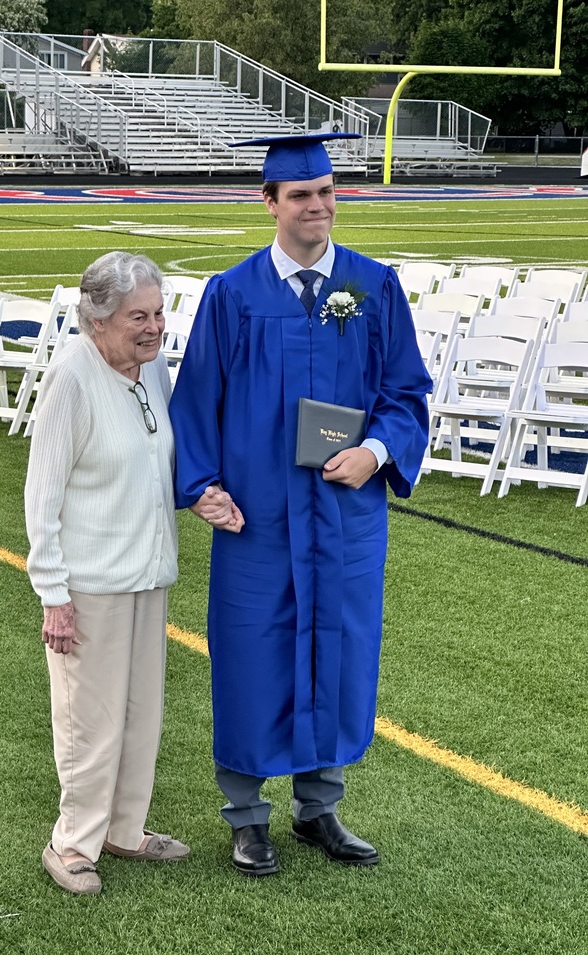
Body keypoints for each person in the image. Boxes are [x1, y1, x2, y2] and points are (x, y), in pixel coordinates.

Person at [169, 134, 431, 877]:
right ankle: (246, 818)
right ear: (270, 203)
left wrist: (375, 453)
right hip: (259, 519)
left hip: (345, 517)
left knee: (338, 651)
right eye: (300, 196)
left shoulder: (374, 286)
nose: (318, 207)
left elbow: (406, 394)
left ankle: (320, 809)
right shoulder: (234, 294)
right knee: (252, 654)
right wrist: (202, 487)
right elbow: (198, 403)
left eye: (326, 192)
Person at [24, 251, 189, 895]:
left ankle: (126, 829)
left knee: (141, 712)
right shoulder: (71, 376)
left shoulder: (151, 372)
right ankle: (72, 843)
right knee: (89, 719)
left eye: (158, 313)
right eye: (136, 317)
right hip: (89, 581)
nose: (153, 328)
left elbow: (163, 458)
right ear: (97, 321)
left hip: (150, 572)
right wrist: (53, 595)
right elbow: (43, 494)